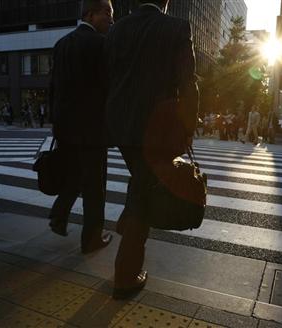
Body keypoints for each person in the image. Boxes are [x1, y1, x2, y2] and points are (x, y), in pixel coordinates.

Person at [105, 0, 199, 299]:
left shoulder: (117, 29)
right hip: (157, 127)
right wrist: (187, 127)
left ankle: (127, 254)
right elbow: (188, 83)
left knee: (141, 185)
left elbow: (107, 77)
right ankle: (125, 275)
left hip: (120, 125)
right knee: (143, 194)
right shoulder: (175, 27)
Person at [48, 0, 114, 252]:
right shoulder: (100, 44)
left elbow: (53, 86)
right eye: (106, 13)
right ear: (90, 14)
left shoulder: (61, 44)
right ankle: (91, 238)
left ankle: (59, 213)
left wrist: (55, 121)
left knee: (74, 173)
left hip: (65, 126)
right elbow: (108, 85)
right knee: (95, 186)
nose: (110, 19)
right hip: (92, 128)